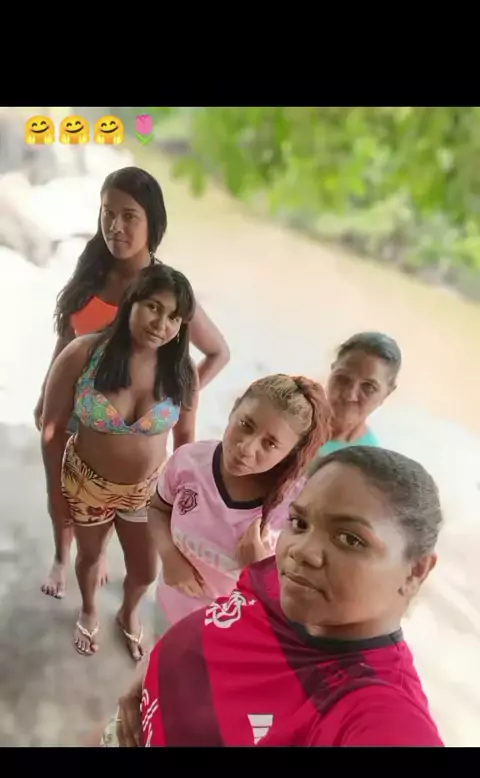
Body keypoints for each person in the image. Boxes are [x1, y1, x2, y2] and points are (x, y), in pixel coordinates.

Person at [111, 445, 444, 747]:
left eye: (350, 539)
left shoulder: (375, 709)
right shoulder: (287, 582)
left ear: (416, 571)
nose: (302, 551)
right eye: (299, 523)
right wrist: (153, 666)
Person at [37, 166, 230, 600]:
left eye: (129, 216)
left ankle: (96, 551)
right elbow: (67, 336)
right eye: (108, 213)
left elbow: (218, 351)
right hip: (75, 406)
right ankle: (62, 556)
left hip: (127, 419)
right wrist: (45, 393)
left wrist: (175, 399)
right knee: (60, 495)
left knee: (117, 500)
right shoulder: (91, 269)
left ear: (152, 223)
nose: (115, 226)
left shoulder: (164, 291)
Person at [41, 263, 198, 660]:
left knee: (146, 570)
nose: (161, 324)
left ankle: (128, 611)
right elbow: (52, 429)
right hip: (86, 484)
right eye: (153, 307)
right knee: (90, 557)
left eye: (174, 317)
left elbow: (185, 444)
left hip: (147, 492)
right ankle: (89, 608)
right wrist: (56, 495)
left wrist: (180, 507)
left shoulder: (181, 373)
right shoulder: (84, 353)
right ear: (132, 301)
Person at [148, 374, 331, 626]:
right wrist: (169, 557)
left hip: (229, 632)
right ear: (234, 409)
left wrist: (258, 568)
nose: (246, 447)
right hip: (169, 607)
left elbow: (299, 602)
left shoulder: (295, 509)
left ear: (290, 453)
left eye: (270, 444)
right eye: (246, 424)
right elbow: (158, 509)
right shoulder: (189, 461)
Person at [318, 331, 401, 456]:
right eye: (342, 379)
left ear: (387, 393)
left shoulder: (366, 458)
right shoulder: (293, 420)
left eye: (369, 387)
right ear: (332, 370)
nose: (350, 395)